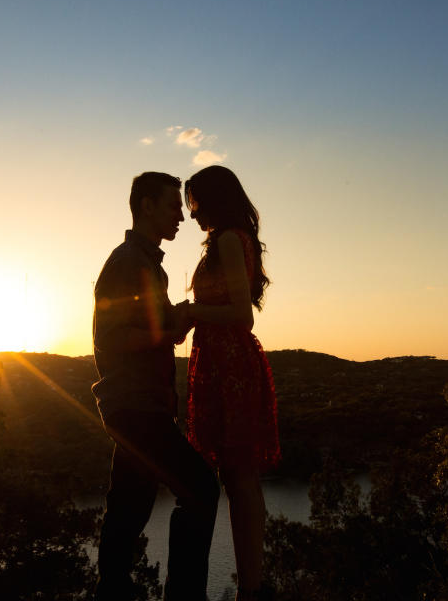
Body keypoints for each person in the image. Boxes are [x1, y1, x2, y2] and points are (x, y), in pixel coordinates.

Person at [91, 171, 220, 601]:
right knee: (201, 489)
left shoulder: (146, 264)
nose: (180, 217)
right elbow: (114, 339)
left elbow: (148, 329)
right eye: (172, 206)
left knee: (129, 507)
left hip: (140, 405)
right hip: (135, 405)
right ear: (146, 206)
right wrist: (169, 330)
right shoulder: (128, 262)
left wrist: (173, 322)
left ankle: (111, 590)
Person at [183, 166, 280, 601]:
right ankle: (251, 587)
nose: (190, 214)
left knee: (239, 479)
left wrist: (190, 313)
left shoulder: (227, 239)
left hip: (229, 367)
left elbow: (243, 315)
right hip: (224, 364)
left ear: (212, 199)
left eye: (194, 203)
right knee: (241, 478)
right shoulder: (237, 238)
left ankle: (251, 589)